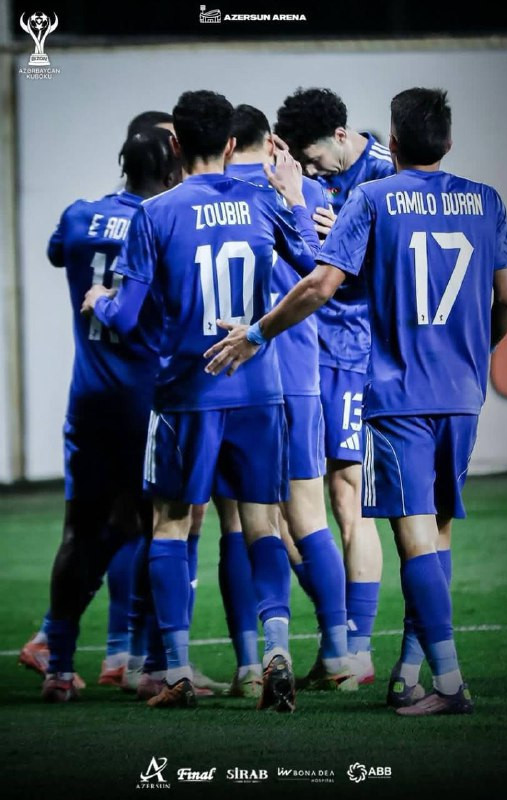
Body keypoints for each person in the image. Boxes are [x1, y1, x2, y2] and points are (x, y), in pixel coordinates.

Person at [204, 87, 507, 716]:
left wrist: (257, 333)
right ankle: (409, 671)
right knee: (436, 535)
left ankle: (448, 682)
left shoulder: (375, 197)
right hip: (462, 392)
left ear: (391, 142)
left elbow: (323, 283)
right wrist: (473, 352)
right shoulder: (486, 200)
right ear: (449, 141)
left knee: (406, 533)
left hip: (397, 389)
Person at [82, 90, 320, 711]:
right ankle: (276, 652)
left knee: (170, 522)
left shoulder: (155, 213)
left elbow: (126, 317)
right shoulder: (263, 200)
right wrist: (296, 199)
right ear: (232, 143)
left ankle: (178, 671)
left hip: (186, 393)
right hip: (258, 391)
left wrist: (100, 300)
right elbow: (312, 266)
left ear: (176, 144)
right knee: (263, 524)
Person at [36, 127, 182, 702]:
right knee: (157, 528)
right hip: (147, 402)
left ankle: (58, 666)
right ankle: (149, 666)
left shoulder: (78, 215)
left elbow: (57, 252)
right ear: (170, 172)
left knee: (81, 531)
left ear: (123, 164)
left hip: (89, 401)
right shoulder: (167, 220)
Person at [222, 104, 356, 692]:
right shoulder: (306, 194)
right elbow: (328, 276)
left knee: (240, 522)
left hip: (235, 376)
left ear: (226, 145)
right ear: (271, 141)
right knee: (310, 517)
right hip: (300, 371)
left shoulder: (208, 195)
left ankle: (252, 666)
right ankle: (339, 653)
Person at [275, 88, 395, 682]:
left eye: (314, 157)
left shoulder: (387, 175)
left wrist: (347, 240)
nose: (312, 168)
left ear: (341, 135)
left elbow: (399, 267)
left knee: (349, 494)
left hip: (351, 351)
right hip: (305, 350)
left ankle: (358, 650)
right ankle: (337, 640)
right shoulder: (310, 180)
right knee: (287, 504)